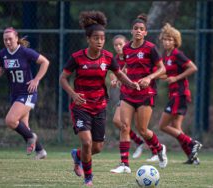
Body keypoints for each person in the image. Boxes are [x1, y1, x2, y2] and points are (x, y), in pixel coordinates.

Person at [59, 11, 140, 186]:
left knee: (97, 148)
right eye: (96, 38)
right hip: (81, 106)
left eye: (102, 38)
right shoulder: (77, 57)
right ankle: (89, 178)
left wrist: (131, 84)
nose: (100, 41)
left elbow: (119, 74)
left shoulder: (109, 57)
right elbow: (62, 78)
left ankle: (77, 155)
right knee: (87, 143)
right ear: (88, 39)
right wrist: (73, 94)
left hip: (100, 106)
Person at [110, 14, 168, 174]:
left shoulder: (150, 48)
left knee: (143, 130)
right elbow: (121, 68)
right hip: (128, 92)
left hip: (145, 93)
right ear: (131, 31)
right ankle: (124, 164)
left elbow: (162, 69)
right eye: (136, 28)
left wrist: (149, 78)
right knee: (124, 126)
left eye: (141, 29)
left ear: (145, 33)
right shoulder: (126, 48)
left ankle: (159, 148)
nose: (138, 31)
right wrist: (117, 78)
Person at [0, 27, 49, 160]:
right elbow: (2, 70)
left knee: (10, 120)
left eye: (10, 39)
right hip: (15, 94)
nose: (8, 42)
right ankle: (41, 151)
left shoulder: (25, 52)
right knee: (25, 127)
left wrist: (36, 79)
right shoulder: (3, 54)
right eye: (5, 39)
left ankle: (31, 138)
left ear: (16, 38)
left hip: (28, 93)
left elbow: (45, 62)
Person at [158, 23, 202, 165]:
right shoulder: (166, 55)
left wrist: (176, 78)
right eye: (165, 39)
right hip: (175, 94)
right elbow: (168, 73)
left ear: (175, 41)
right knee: (176, 128)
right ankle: (192, 157)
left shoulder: (177, 54)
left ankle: (193, 143)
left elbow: (193, 68)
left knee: (163, 126)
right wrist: (158, 76)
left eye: (170, 39)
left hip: (180, 94)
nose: (167, 42)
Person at [110, 35, 158, 161]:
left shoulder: (137, 53)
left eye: (120, 44)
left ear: (126, 44)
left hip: (141, 93)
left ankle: (155, 149)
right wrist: (115, 80)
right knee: (118, 121)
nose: (118, 47)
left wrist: (148, 78)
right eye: (116, 45)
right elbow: (114, 74)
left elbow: (156, 70)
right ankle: (136, 146)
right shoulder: (116, 59)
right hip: (127, 94)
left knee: (141, 128)